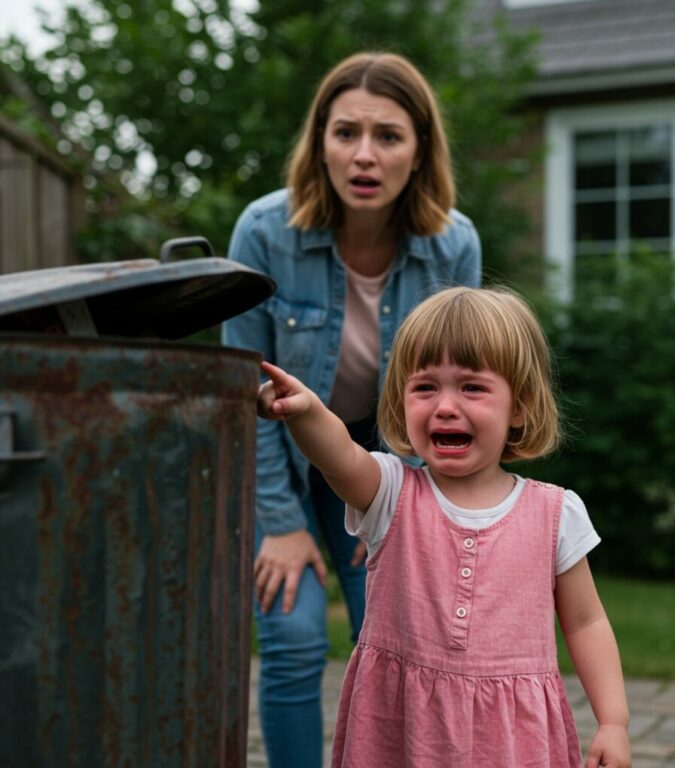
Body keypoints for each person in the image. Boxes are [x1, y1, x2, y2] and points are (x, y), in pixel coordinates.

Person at [222, 51, 481, 767]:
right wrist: (280, 526)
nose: (364, 155)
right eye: (345, 132)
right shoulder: (264, 233)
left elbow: (451, 396)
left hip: (381, 460)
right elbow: (244, 392)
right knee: (295, 632)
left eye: (389, 136)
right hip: (274, 453)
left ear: (420, 149)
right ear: (320, 141)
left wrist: (399, 502)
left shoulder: (453, 245)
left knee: (393, 635)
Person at [257, 285, 632, 768]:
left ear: (519, 406)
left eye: (472, 387)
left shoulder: (556, 515)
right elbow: (339, 455)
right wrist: (307, 412)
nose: (446, 406)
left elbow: (587, 622)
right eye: (425, 387)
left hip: (513, 740)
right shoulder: (390, 492)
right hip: (402, 728)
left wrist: (613, 722)